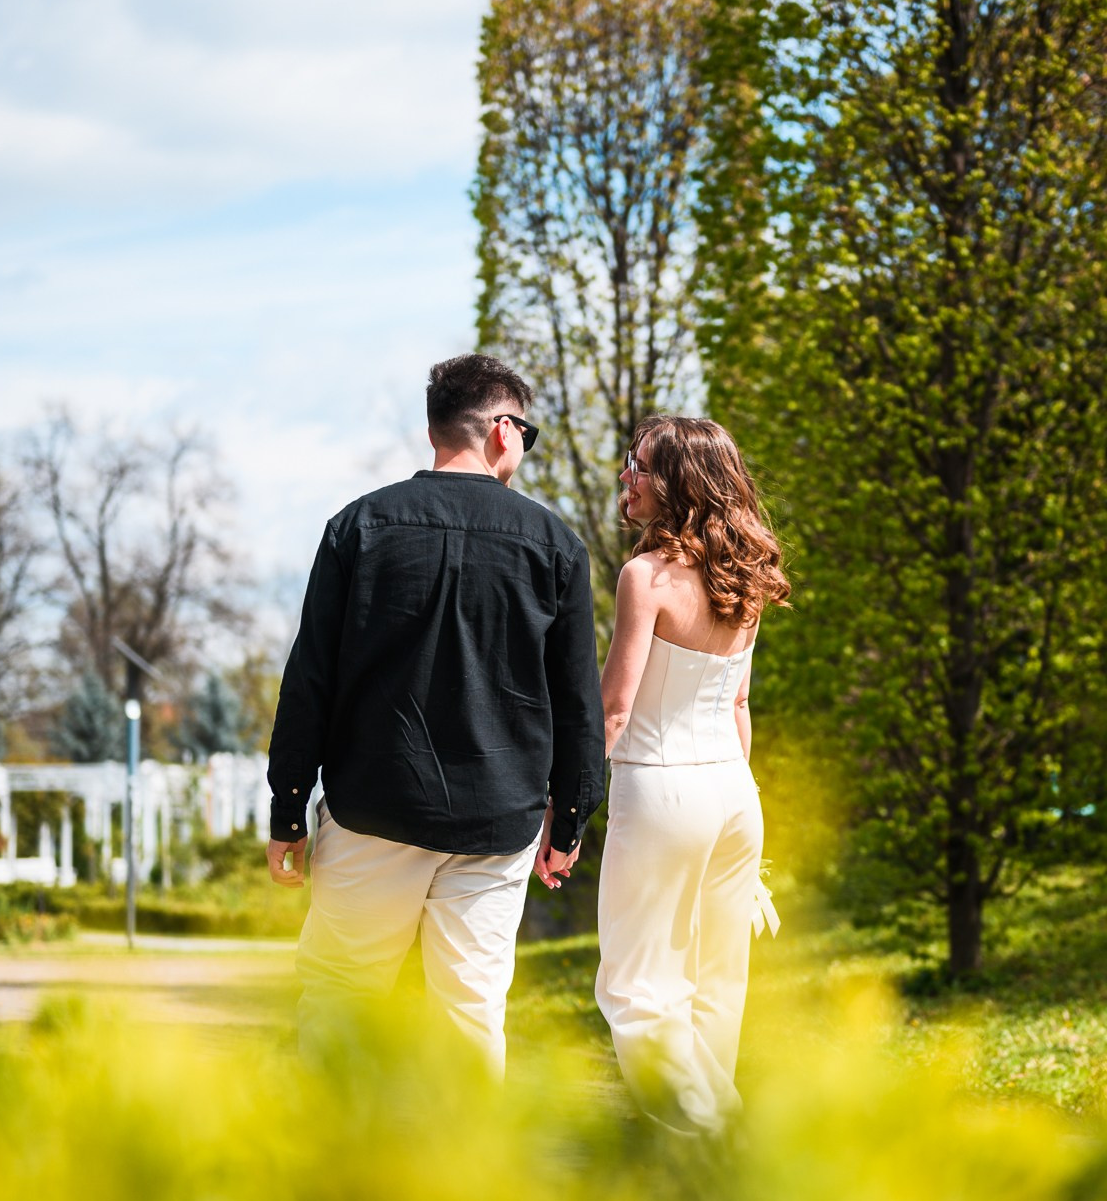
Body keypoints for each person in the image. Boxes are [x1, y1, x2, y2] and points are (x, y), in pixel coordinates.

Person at [265, 353, 605, 1078]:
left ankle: (327, 1166)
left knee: (341, 997)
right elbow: (578, 701)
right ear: (504, 431)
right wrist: (569, 818)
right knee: (471, 1010)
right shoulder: (557, 548)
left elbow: (310, 682)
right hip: (498, 818)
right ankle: (463, 1178)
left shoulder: (358, 527)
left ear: (436, 430)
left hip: (372, 809)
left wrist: (288, 809)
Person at [595, 415, 791, 1135]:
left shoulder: (644, 578)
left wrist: (567, 804)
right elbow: (739, 704)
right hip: (735, 795)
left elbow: (615, 709)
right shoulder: (747, 578)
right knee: (716, 984)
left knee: (637, 987)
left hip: (661, 788)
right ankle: (708, 1152)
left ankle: (715, 1136)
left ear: (678, 482)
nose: (627, 475)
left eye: (639, 464)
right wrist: (745, 814)